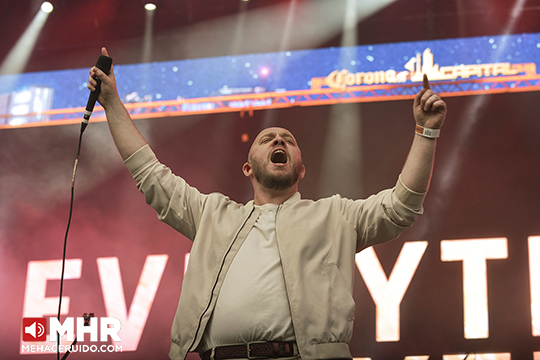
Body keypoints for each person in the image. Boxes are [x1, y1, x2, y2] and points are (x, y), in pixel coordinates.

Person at [88, 47, 446, 360]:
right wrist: (112, 104)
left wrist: (426, 132)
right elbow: (151, 174)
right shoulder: (212, 214)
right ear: (248, 168)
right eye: (268, 138)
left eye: (287, 139)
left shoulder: (335, 215)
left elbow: (401, 207)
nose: (278, 139)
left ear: (300, 169)